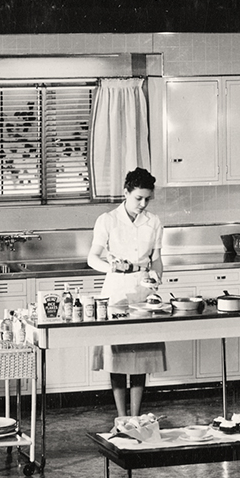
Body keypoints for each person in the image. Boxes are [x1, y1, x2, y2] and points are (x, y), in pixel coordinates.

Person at [87, 167, 166, 417]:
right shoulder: (108, 220)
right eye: (138, 198)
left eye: (147, 199)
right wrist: (111, 266)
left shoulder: (153, 222)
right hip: (116, 294)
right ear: (125, 193)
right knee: (118, 358)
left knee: (141, 357)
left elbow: (157, 259)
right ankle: (122, 417)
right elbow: (92, 258)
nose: (143, 204)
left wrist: (156, 277)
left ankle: (137, 416)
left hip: (142, 294)